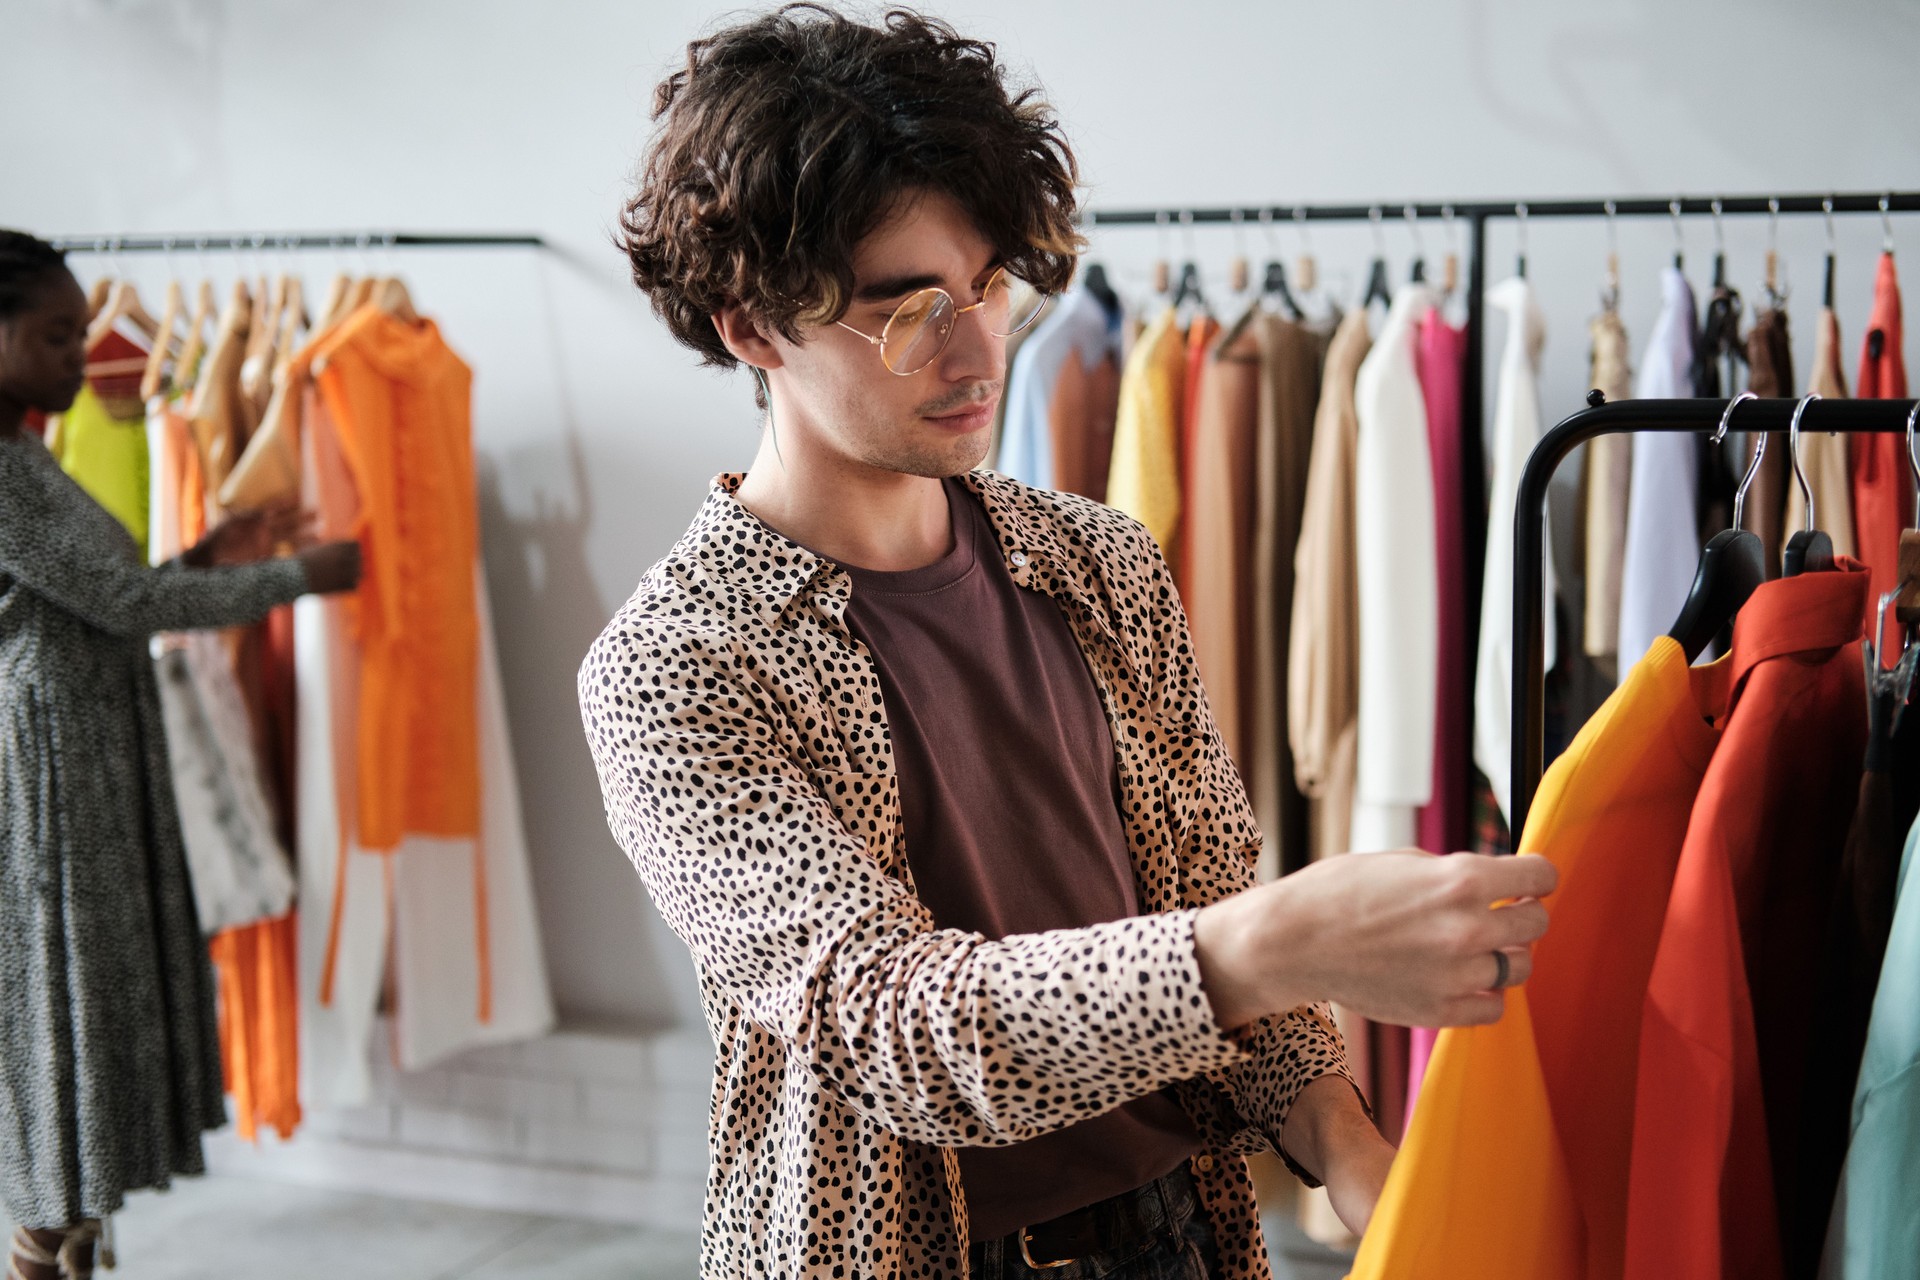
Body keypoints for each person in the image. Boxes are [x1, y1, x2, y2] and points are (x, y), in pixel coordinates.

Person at [580, 8, 1557, 1277]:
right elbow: (891, 1025)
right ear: (752, 325)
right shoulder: (679, 662)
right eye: (907, 307)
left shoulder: (1097, 562)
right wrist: (1273, 942)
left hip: (1186, 1228)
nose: (978, 344)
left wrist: (1351, 1147)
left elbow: (1208, 887)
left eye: (989, 284)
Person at [0, 230, 362, 1280]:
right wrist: (297, 575)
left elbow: (95, 597)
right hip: (54, 763)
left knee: (96, 991)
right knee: (67, 990)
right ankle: (41, 1239)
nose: (85, 353)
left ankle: (61, 1239)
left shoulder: (26, 452)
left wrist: (212, 552)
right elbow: (124, 603)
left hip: (93, 742)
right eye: (56, 334)